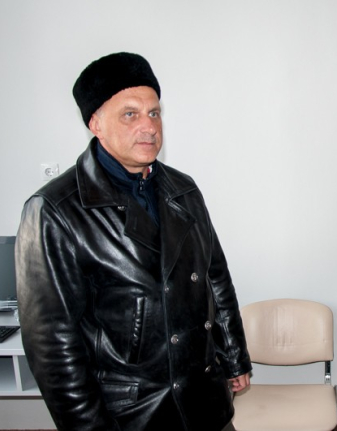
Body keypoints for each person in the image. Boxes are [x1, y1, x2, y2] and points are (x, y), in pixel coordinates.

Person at [15, 52, 251, 431]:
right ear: (95, 123)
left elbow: (215, 278)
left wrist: (234, 357)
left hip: (204, 400)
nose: (149, 126)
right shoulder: (55, 211)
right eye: (130, 114)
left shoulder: (183, 190)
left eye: (154, 113)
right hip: (131, 413)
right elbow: (53, 345)